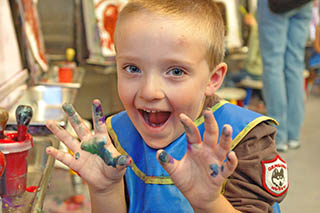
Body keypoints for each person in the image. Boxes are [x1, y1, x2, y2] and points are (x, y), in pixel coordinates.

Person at [46, 0, 288, 212]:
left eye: (175, 71)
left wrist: (209, 203)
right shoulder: (115, 136)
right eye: (132, 68)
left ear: (213, 79)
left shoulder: (245, 138)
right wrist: (105, 190)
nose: (150, 91)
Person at [257, 0, 313, 152]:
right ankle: (294, 135)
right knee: (295, 64)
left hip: (275, 5)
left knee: (273, 63)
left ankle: (279, 136)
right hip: (303, 3)